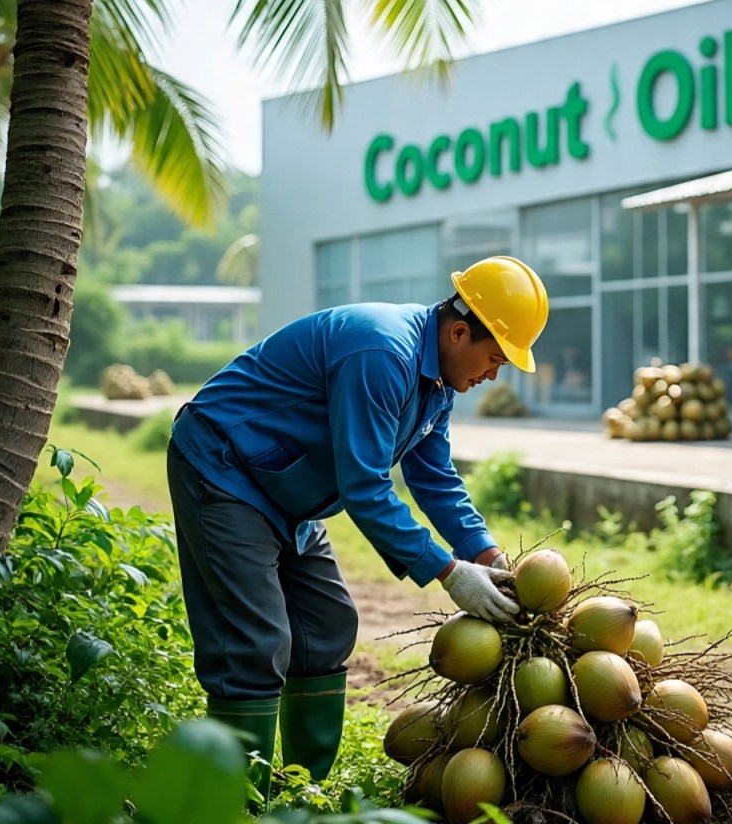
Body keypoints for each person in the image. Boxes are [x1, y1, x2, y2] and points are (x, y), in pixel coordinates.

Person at [166, 256, 549, 800]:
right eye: (494, 358)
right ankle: (231, 801)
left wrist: (487, 557)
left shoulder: (438, 383)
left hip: (289, 488)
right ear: (459, 332)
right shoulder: (382, 352)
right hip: (226, 469)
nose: (493, 375)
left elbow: (433, 475)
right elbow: (365, 487)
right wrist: (448, 571)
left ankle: (301, 794)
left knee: (326, 624)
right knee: (255, 641)